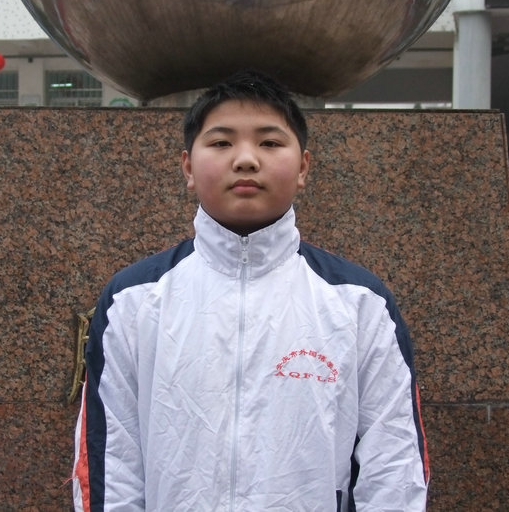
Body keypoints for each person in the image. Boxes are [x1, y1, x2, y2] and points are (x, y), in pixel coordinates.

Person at [72, 70, 429, 511]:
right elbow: (110, 464)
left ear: (303, 167)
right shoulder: (133, 300)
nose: (245, 159)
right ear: (188, 167)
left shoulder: (359, 304)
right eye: (221, 142)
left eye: (270, 142)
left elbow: (394, 462)